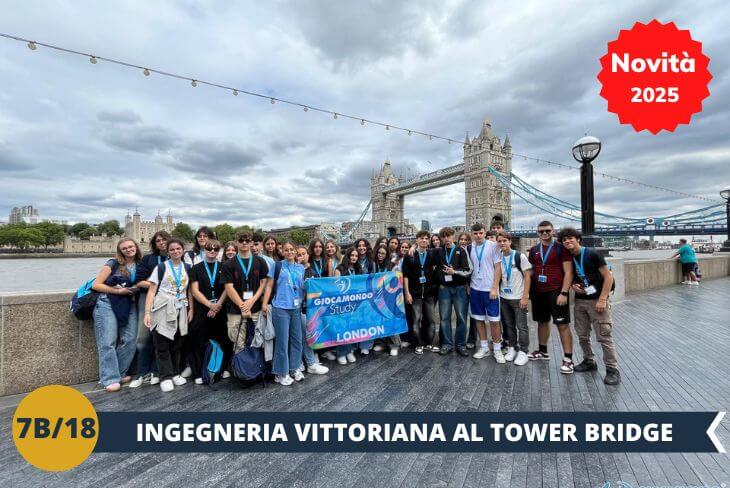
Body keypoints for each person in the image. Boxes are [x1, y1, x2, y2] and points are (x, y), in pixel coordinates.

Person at [559, 227, 620, 385]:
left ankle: (612, 370)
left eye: (570, 238)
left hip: (597, 300)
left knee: (604, 336)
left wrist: (603, 299)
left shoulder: (592, 254)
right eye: (564, 240)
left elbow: (608, 277)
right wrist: (572, 284)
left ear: (578, 239)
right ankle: (589, 361)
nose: (567, 241)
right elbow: (571, 275)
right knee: (582, 335)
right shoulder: (569, 257)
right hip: (580, 300)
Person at [91, 238, 142, 392]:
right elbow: (96, 285)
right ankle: (109, 378)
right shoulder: (112, 263)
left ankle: (119, 373)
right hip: (107, 304)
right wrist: (117, 291)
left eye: (131, 246)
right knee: (108, 342)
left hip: (128, 304)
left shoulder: (140, 264)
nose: (128, 250)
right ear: (120, 251)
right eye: (124, 248)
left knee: (131, 340)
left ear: (136, 247)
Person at [143, 238, 193, 392]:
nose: (175, 252)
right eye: (172, 250)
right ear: (168, 252)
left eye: (178, 248)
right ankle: (165, 376)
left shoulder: (188, 267)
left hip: (181, 308)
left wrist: (191, 309)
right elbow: (152, 290)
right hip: (163, 307)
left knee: (178, 343)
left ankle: (176, 373)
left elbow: (189, 290)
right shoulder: (161, 267)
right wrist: (147, 313)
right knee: (162, 343)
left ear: (183, 249)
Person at [527, 221, 575, 374]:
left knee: (562, 325)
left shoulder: (561, 248)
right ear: (537, 233)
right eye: (541, 232)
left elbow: (568, 272)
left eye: (547, 231)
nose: (544, 234)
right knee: (542, 322)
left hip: (556, 291)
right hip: (538, 292)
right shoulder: (534, 250)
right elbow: (531, 272)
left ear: (553, 231)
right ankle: (542, 351)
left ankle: (568, 359)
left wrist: (564, 292)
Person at [129, 230, 170, 388]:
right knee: (142, 337)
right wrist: (158, 286)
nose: (162, 242)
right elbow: (139, 281)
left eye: (164, 239)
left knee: (161, 337)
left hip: (167, 301)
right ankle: (141, 373)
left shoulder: (175, 258)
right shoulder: (148, 259)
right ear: (154, 243)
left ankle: (155, 371)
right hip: (147, 299)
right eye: (158, 240)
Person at [188, 239, 230, 384]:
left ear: (219, 252)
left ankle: (220, 369)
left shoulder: (223, 266)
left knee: (222, 340)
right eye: (209, 249)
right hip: (203, 309)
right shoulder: (196, 268)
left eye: (215, 249)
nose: (212, 252)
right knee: (199, 341)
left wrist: (217, 305)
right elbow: (194, 290)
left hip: (220, 309)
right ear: (204, 250)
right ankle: (199, 371)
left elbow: (227, 288)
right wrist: (209, 305)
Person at [222, 231, 270, 356]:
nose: (244, 243)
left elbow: (263, 283)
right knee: (238, 342)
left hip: (255, 308)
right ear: (236, 242)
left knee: (258, 340)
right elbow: (228, 287)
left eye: (247, 241)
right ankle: (240, 371)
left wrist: (252, 301)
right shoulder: (228, 264)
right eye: (241, 240)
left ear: (251, 243)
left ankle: (256, 370)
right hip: (235, 309)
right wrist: (243, 305)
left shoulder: (260, 261)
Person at [264, 241, 305, 386]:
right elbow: (269, 285)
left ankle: (294, 368)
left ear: (295, 251)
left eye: (291, 250)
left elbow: (302, 287)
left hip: (296, 307)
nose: (289, 252)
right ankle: (281, 372)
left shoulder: (301, 267)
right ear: (282, 251)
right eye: (286, 250)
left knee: (297, 340)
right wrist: (264, 303)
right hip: (280, 307)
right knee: (282, 341)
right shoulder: (277, 266)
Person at [468, 223, 504, 362]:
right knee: (479, 319)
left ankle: (497, 349)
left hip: (490, 289)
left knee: (494, 321)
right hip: (475, 288)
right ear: (472, 234)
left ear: (484, 233)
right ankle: (484, 347)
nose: (478, 236)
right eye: (475, 233)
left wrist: (494, 287)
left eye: (481, 233)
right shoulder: (469, 247)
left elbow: (498, 268)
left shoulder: (493, 246)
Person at [434, 227, 472, 356]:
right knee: (444, 318)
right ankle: (447, 344)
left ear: (453, 237)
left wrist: (454, 271)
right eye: (444, 237)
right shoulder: (438, 251)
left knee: (461, 317)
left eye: (448, 236)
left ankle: (461, 344)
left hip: (459, 288)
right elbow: (423, 253)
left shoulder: (460, 251)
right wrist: (413, 247)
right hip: (444, 289)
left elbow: (467, 270)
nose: (446, 239)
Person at [496, 232, 532, 366]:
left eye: (504, 240)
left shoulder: (519, 256)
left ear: (510, 241)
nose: (502, 243)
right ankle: (512, 347)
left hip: (518, 298)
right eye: (499, 241)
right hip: (504, 297)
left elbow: (528, 277)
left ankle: (524, 351)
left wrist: (525, 296)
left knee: (521, 326)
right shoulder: (498, 257)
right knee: (509, 325)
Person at [402, 231, 439, 355]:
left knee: (431, 320)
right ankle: (418, 344)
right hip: (415, 293)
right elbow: (405, 276)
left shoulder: (432, 253)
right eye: (421, 238)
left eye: (426, 239)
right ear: (416, 240)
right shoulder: (409, 256)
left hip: (429, 293)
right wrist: (407, 293)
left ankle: (428, 343)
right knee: (416, 319)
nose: (424, 240)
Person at [296, 246, 329, 375]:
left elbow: (316, 293)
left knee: (307, 336)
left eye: (303, 254)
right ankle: (299, 362)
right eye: (298, 254)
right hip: (293, 309)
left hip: (306, 310)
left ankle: (309, 362)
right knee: (296, 338)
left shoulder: (312, 272)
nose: (301, 256)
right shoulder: (292, 270)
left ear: (307, 255)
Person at [333, 247, 362, 364]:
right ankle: (341, 353)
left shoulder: (358, 269)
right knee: (343, 328)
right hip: (342, 303)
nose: (354, 257)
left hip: (355, 303)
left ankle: (349, 350)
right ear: (348, 256)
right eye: (352, 255)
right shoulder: (339, 269)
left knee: (352, 328)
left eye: (356, 256)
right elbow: (335, 287)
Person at [458, 232, 478, 350]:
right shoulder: (455, 251)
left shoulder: (472, 251)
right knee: (462, 314)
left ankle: (472, 339)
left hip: (474, 286)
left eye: (466, 240)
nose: (463, 242)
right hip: (461, 287)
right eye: (461, 239)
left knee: (474, 315)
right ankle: (460, 339)